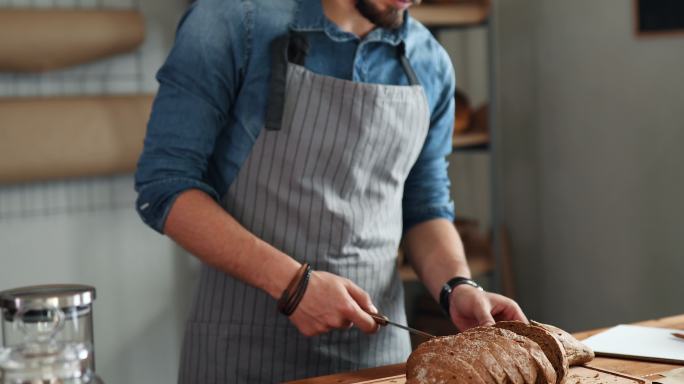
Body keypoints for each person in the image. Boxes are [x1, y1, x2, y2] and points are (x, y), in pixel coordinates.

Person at [134, 0, 527, 382]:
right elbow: (165, 188)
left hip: (379, 362)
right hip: (242, 356)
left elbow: (425, 207)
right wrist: (293, 284)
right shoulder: (231, 23)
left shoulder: (430, 63)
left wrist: (456, 286)